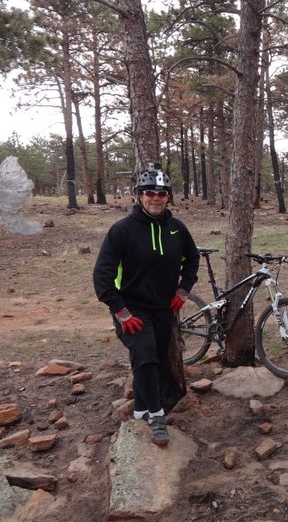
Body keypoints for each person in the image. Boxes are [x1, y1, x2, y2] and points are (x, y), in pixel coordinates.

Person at [93, 163, 199, 447]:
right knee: (146, 352)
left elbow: (192, 260)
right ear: (139, 195)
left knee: (154, 359)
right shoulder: (122, 230)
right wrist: (121, 311)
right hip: (130, 309)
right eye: (149, 192)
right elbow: (102, 276)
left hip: (164, 307)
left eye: (162, 193)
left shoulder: (177, 229)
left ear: (168, 197)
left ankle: (141, 407)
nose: (156, 197)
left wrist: (184, 290)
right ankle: (156, 415)